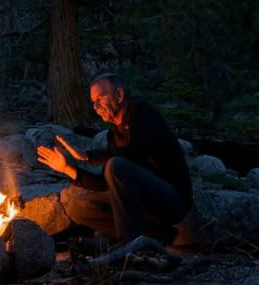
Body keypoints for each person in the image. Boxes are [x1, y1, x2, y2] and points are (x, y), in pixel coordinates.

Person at [37, 73, 193, 245]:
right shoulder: (114, 133)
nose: (95, 106)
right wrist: (66, 168)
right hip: (141, 204)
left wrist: (88, 155)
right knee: (79, 206)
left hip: (171, 200)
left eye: (99, 99)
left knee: (116, 165)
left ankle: (130, 245)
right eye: (93, 101)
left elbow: (135, 153)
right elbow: (105, 182)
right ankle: (155, 235)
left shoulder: (143, 113)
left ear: (119, 95)